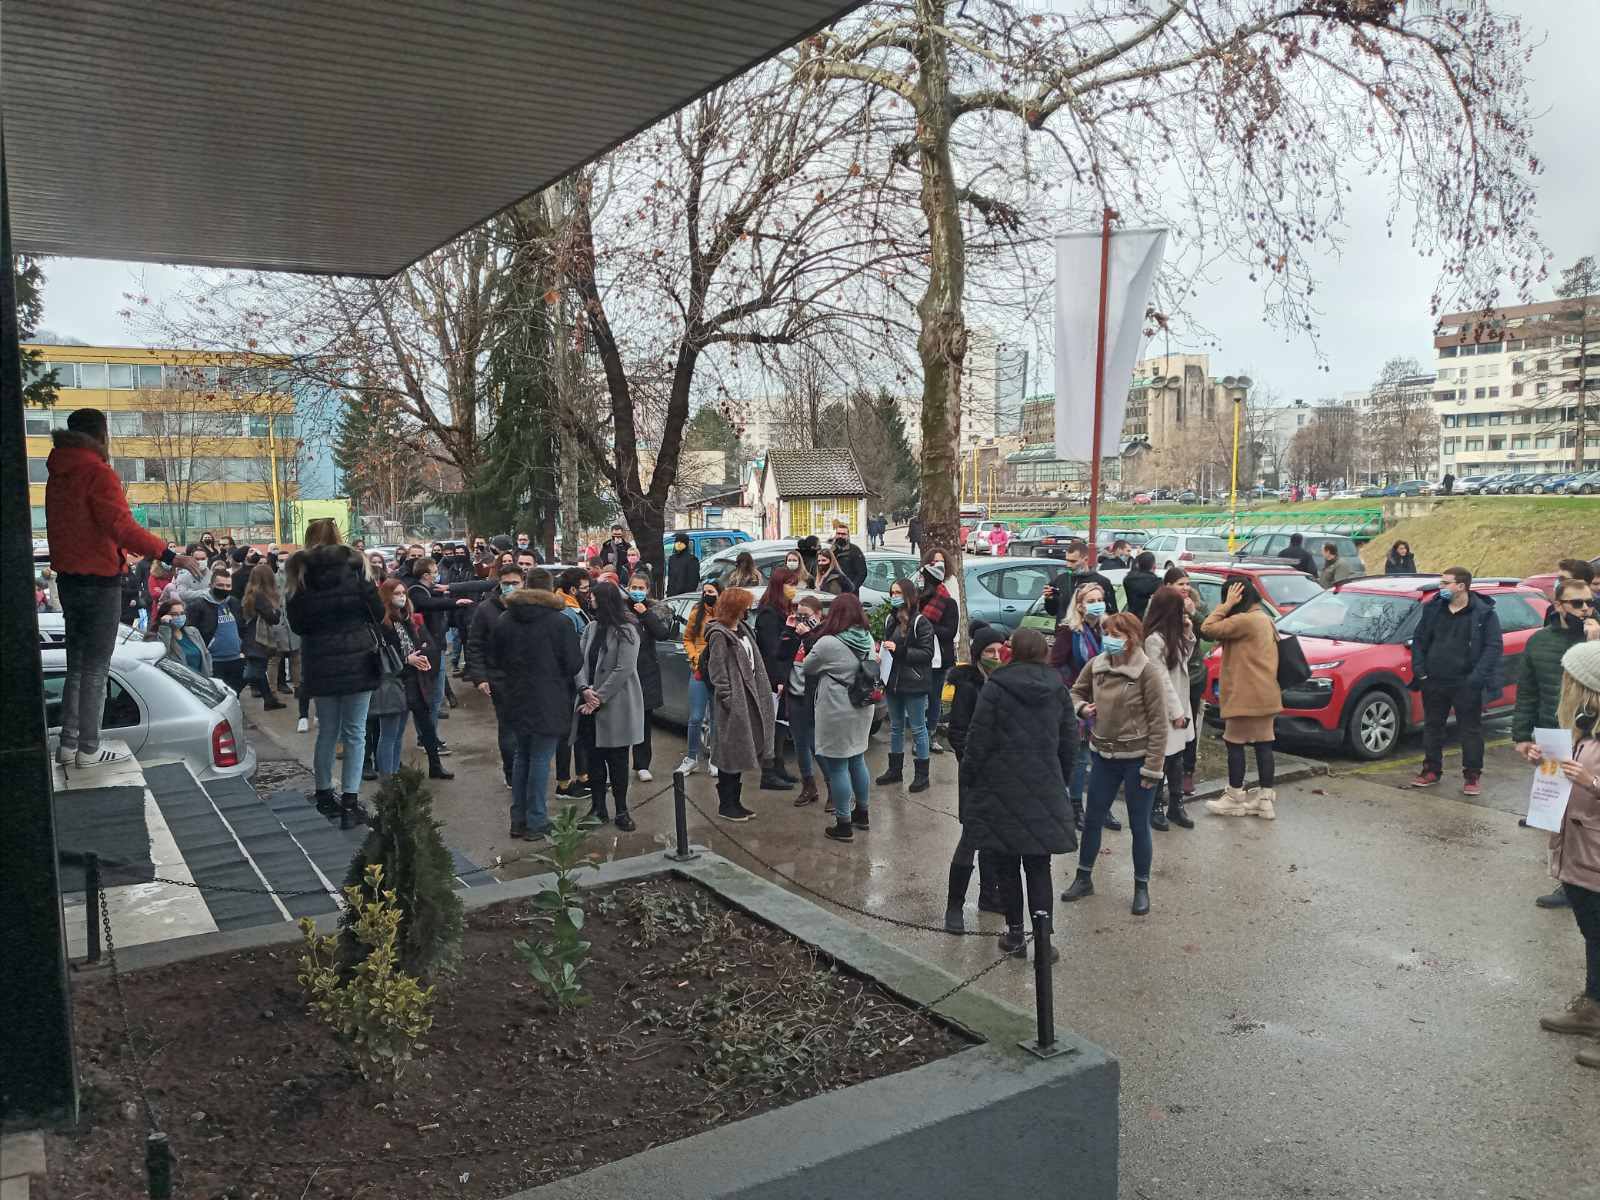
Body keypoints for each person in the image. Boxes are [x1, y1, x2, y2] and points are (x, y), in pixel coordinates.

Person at [45, 408, 197, 767]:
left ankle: (69, 744)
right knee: (96, 667)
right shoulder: (98, 473)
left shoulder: (58, 473)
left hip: (69, 579)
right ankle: (89, 748)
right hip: (99, 580)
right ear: (101, 435)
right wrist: (170, 554)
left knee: (76, 665)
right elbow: (123, 527)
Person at [957, 628, 1079, 955]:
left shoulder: (996, 688)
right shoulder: (1058, 690)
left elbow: (977, 741)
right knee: (1039, 867)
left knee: (1007, 867)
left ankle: (1014, 934)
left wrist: (969, 779)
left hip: (1001, 790)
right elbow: (1070, 744)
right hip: (1044, 787)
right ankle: (1043, 940)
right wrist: (1059, 780)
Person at [1062, 613, 1168, 915]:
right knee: (1093, 819)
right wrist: (1081, 708)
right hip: (1102, 755)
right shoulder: (1098, 664)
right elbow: (1074, 692)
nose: (1109, 639)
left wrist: (1152, 768)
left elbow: (1160, 724)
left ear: (1132, 637)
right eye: (1107, 633)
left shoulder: (1147, 672)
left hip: (1137, 759)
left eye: (1116, 634)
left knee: (1139, 825)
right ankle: (1083, 878)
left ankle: (1141, 887)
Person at [285, 518, 384, 827]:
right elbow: (377, 613)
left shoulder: (298, 572)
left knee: (327, 731)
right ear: (339, 537)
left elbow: (298, 625)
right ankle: (351, 802)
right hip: (358, 658)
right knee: (355, 732)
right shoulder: (357, 566)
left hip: (320, 662)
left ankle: (325, 795)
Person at [1515, 575, 1600, 909]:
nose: (1584, 609)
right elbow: (1528, 690)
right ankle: (1567, 880)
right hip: (1554, 739)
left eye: (1589, 602)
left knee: (1589, 815)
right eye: (1576, 603)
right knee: (1556, 815)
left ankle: (1588, 880)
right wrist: (1522, 736)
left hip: (1592, 741)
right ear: (1558, 606)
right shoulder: (1540, 642)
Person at [1537, 641, 1600, 1070]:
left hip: (1594, 852)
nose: (1566, 687)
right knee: (1593, 935)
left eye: (1572, 681)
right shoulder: (1586, 724)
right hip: (1580, 852)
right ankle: (1593, 1007)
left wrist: (1592, 781)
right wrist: (1545, 763)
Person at [489, 568, 582, 839]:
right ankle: (537, 820)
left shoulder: (505, 618)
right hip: (548, 698)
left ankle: (518, 818)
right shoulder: (560, 622)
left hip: (514, 697)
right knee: (540, 759)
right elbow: (574, 663)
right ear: (550, 590)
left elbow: (494, 658)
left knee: (522, 757)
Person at [1409, 567, 1503, 795]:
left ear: (1461, 586)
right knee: (1433, 727)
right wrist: (1421, 672)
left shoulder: (1483, 613)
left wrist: (1476, 678)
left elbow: (1493, 647)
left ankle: (1472, 776)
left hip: (1466, 683)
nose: (1440, 588)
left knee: (1470, 731)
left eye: (1445, 583)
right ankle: (1431, 770)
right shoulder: (1433, 608)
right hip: (1433, 681)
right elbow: (1419, 641)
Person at [942, 622, 1010, 926]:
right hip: (975, 773)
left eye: (1000, 650)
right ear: (978, 653)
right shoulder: (968, 686)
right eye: (989, 651)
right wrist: (971, 761)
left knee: (994, 839)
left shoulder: (1007, 682)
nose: (996, 655)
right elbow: (957, 732)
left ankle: (989, 895)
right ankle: (954, 906)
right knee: (970, 838)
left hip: (1001, 774)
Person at [1201, 577, 1282, 819]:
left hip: (1244, 696)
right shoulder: (1265, 619)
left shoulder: (1244, 620)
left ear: (1238, 597)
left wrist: (1225, 606)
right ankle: (1265, 800)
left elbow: (1207, 629)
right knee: (1264, 745)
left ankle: (1235, 797)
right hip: (1267, 694)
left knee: (1234, 743)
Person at [806, 593, 879, 840]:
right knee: (857, 759)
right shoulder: (867, 637)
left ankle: (843, 823)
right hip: (862, 706)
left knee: (837, 766)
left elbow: (808, 667)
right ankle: (863, 813)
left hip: (837, 708)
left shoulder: (828, 643)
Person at [576, 582, 645, 830]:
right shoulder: (591, 628)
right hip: (588, 705)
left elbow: (624, 669)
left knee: (617, 762)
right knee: (593, 761)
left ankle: (622, 811)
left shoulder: (627, 630)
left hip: (616, 705)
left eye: (593, 598)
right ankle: (598, 808)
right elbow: (580, 663)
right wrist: (584, 689)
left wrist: (598, 698)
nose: (589, 601)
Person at [703, 585, 775, 821]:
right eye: (745, 606)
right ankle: (727, 804)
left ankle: (735, 802)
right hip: (734, 703)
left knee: (741, 752)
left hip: (750, 699)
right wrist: (728, 698)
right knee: (730, 753)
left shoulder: (743, 630)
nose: (749, 610)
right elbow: (717, 671)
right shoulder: (719, 635)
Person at [373, 579, 452, 783]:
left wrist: (421, 657)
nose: (401, 597)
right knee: (390, 732)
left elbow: (416, 645)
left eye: (403, 593)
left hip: (412, 679)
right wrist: (407, 659)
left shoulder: (405, 618)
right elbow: (380, 654)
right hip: (393, 681)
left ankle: (396, 773)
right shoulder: (382, 622)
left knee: (406, 730)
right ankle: (387, 777)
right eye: (396, 593)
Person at [1051, 580, 1114, 831]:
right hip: (1078, 700)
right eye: (1091, 601)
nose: (1097, 605)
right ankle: (1075, 806)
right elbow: (1054, 664)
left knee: (1105, 758)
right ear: (1079, 605)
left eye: (1100, 600)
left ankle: (1103, 808)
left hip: (1107, 701)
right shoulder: (1069, 631)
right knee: (1081, 757)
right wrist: (1070, 689)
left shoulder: (1108, 630)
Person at [463, 560, 524, 790]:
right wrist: (480, 677)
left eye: (515, 583)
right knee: (508, 729)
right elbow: (475, 644)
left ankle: (524, 769)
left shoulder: (530, 605)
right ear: (499, 583)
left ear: (523, 583)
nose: (510, 587)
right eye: (506, 583)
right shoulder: (486, 609)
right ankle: (512, 774)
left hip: (529, 678)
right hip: (500, 678)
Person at [1141, 587, 1198, 831]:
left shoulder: (1172, 633)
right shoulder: (1153, 640)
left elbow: (1184, 660)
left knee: (1177, 758)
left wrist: (1188, 633)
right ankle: (1155, 807)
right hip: (1166, 708)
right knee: (1162, 758)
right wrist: (1176, 713)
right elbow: (1161, 679)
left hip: (1181, 702)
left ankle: (1176, 804)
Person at [405, 557, 474, 747]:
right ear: (426, 574)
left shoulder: (432, 591)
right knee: (430, 698)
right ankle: (427, 739)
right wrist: (455, 602)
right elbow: (429, 605)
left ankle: (430, 737)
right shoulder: (417, 591)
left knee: (436, 698)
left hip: (438, 648)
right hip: (427, 651)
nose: (438, 574)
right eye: (435, 571)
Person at [876, 576, 936, 794]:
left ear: (909, 596)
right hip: (893, 681)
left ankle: (922, 775)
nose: (894, 597)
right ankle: (895, 770)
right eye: (892, 593)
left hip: (914, 682)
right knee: (895, 727)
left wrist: (899, 650)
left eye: (898, 593)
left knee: (918, 728)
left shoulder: (921, 622)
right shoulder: (890, 620)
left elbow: (927, 653)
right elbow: (888, 646)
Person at [754, 568, 803, 792]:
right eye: (790, 584)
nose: (793, 588)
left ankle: (779, 766)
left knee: (781, 724)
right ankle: (768, 771)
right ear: (778, 586)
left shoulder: (785, 610)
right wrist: (778, 678)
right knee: (771, 725)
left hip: (785, 674)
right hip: (773, 677)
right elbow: (773, 650)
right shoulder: (769, 613)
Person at [1164, 567, 1210, 797]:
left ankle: (1187, 772)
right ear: (1168, 586)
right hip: (1168, 673)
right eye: (1180, 583)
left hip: (1192, 675)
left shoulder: (1196, 606)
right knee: (1169, 722)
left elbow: (1210, 632)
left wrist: (1194, 613)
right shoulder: (1161, 606)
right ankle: (1165, 768)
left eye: (1187, 583)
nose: (1185, 588)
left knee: (1188, 724)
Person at [626, 570, 673, 782]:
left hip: (646, 672)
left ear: (647, 590)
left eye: (641, 588)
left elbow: (662, 633)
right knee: (620, 719)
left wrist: (645, 613)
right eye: (633, 588)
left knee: (644, 721)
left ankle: (642, 764)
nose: (636, 592)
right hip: (624, 671)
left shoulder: (653, 609)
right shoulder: (620, 608)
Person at [552, 567, 594, 799]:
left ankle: (583, 776)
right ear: (573, 589)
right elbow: (573, 650)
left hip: (572, 678)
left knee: (577, 733)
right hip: (570, 680)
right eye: (585, 589)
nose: (588, 593)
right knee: (568, 733)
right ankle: (564, 783)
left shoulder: (572, 607)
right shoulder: (566, 612)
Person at [783, 595, 827, 808]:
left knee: (816, 746)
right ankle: (808, 786)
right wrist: (788, 630)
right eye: (799, 615)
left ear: (818, 615)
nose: (802, 619)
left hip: (813, 697)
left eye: (806, 616)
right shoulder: (796, 632)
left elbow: (819, 658)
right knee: (800, 745)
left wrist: (808, 634)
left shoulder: (824, 634)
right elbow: (780, 654)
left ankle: (834, 788)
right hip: (794, 694)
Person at [676, 580, 724, 775]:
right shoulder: (697, 613)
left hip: (718, 672)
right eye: (705, 591)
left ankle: (715, 758)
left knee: (716, 717)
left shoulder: (724, 615)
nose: (707, 595)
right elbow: (687, 639)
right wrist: (695, 658)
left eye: (711, 591)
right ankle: (691, 757)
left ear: (720, 594)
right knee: (695, 717)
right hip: (699, 670)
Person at [917, 549, 958, 752]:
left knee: (934, 698)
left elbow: (950, 631)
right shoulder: (920, 599)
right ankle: (919, 735)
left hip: (938, 658)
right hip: (918, 656)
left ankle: (930, 734)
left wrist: (925, 626)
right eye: (933, 563)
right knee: (919, 698)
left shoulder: (948, 601)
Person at [186, 564, 247, 695]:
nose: (224, 589)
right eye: (220, 585)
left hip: (236, 658)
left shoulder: (234, 602)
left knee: (234, 693)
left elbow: (242, 627)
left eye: (228, 586)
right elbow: (192, 634)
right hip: (214, 661)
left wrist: (243, 649)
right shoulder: (198, 606)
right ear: (211, 585)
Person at [240, 563, 289, 711]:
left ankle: (269, 699)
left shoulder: (249, 593)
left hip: (250, 635)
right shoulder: (260, 595)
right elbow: (272, 617)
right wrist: (277, 612)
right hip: (259, 638)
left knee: (259, 670)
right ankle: (234, 691)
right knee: (254, 672)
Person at [1042, 539, 1120, 619]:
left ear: (1085, 560)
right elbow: (1052, 612)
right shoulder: (1060, 580)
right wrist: (1049, 599)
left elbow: (1112, 613)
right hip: (1064, 629)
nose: (1068, 565)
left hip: (1091, 629)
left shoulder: (1102, 581)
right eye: (1067, 560)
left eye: (1073, 561)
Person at [147, 595, 211, 676]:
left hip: (200, 682)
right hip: (179, 682)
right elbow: (162, 655)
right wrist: (165, 627)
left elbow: (206, 654)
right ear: (164, 616)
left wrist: (209, 675)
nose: (179, 617)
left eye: (182, 613)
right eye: (174, 614)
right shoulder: (155, 636)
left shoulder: (193, 631)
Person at [829, 518, 868, 590]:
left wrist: (852, 587)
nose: (840, 536)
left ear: (848, 536)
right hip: (832, 592)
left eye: (843, 534)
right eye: (838, 534)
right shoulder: (830, 551)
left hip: (849, 594)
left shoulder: (855, 551)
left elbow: (862, 573)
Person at [1123, 550, 1161, 619]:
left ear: (1138, 564)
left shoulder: (1128, 580)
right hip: (1148, 619)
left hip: (1131, 618)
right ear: (1154, 566)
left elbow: (1134, 570)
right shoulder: (1156, 583)